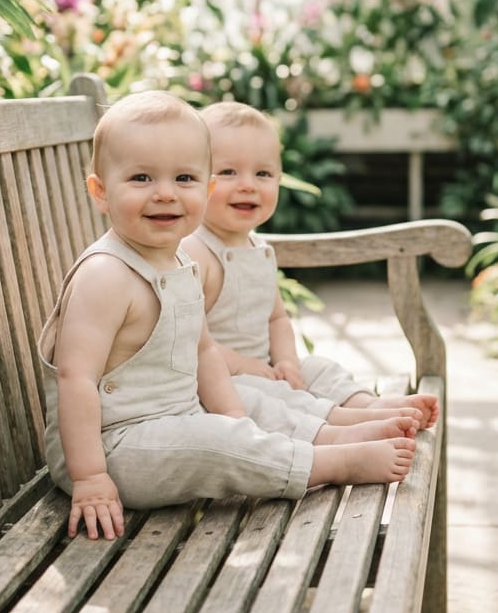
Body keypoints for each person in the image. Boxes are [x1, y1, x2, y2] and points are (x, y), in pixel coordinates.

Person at [38, 90, 417, 542]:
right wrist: (90, 478)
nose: (165, 194)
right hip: (113, 448)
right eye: (141, 178)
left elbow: (203, 352)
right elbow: (75, 380)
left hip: (173, 423)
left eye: (184, 178)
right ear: (101, 192)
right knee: (220, 443)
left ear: (206, 188)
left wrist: (238, 417)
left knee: (242, 413)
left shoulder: (178, 263)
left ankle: (335, 432)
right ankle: (329, 464)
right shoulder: (105, 274)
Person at [182, 101, 440, 430]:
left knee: (318, 368)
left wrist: (288, 361)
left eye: (263, 173)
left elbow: (276, 318)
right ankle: (349, 425)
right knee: (260, 396)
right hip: (219, 385)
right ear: (195, 178)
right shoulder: (195, 251)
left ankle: (368, 405)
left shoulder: (258, 248)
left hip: (266, 368)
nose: (248, 184)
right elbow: (187, 339)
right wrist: (241, 365)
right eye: (229, 172)